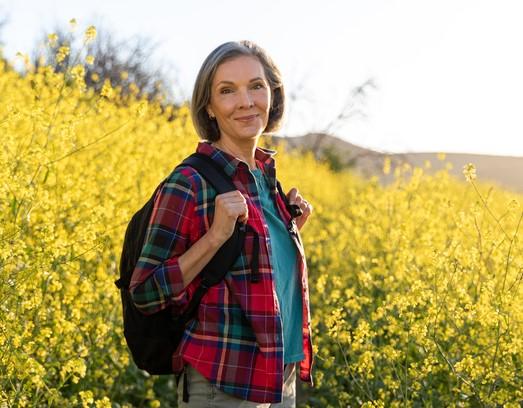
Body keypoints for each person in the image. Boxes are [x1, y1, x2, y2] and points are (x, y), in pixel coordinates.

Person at [129, 40, 314, 407]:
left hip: (279, 376)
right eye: (227, 91)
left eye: (256, 86)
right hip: (222, 386)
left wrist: (288, 230)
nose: (246, 101)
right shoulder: (190, 181)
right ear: (209, 108)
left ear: (272, 94)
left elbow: (251, 272)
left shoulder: (265, 178)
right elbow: (144, 292)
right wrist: (213, 237)